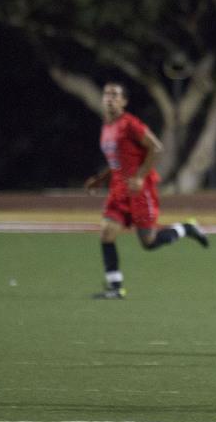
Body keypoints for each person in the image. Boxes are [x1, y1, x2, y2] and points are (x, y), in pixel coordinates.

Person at [84, 82, 208, 299]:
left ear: (124, 101)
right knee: (106, 233)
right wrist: (100, 180)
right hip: (118, 191)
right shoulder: (107, 127)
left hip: (140, 191)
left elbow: (156, 147)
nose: (109, 98)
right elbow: (116, 162)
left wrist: (140, 177)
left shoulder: (129, 124)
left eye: (115, 95)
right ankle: (115, 288)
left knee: (148, 243)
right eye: (106, 94)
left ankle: (186, 229)